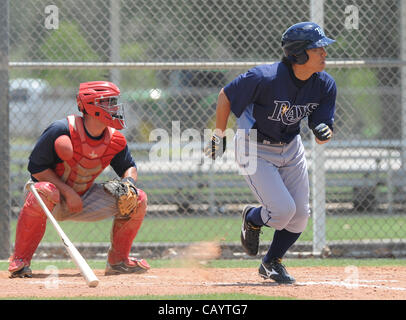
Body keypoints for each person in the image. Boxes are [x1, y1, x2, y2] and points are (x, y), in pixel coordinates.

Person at [206, 22, 336, 284]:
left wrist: (325, 133)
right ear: (298, 54)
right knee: (282, 211)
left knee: (299, 217)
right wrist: (218, 134)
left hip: (291, 147)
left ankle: (271, 262)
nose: (324, 52)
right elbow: (226, 95)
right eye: (317, 48)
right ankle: (252, 217)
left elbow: (323, 130)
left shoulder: (324, 84)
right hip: (254, 147)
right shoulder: (264, 77)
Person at [8, 81, 150, 278]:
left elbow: (128, 167)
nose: (115, 107)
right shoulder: (60, 130)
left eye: (114, 102)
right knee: (46, 190)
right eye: (109, 102)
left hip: (84, 198)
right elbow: (36, 169)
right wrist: (67, 191)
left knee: (138, 198)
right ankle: (20, 261)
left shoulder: (115, 139)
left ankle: (118, 262)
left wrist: (129, 183)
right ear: (92, 106)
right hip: (51, 199)